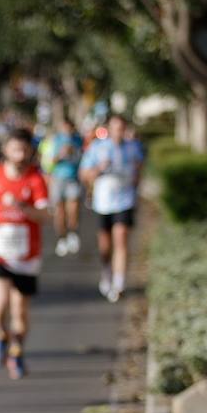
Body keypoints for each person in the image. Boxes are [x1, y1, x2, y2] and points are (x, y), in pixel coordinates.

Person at [0, 128, 50, 380]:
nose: (19, 153)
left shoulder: (36, 179)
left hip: (26, 253)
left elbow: (45, 215)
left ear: (30, 151)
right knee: (0, 304)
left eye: (24, 148)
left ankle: (16, 352)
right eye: (14, 148)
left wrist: (23, 207)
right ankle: (0, 335)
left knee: (20, 311)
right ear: (6, 150)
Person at [80, 112, 145, 302]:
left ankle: (119, 283)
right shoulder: (98, 148)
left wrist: (136, 179)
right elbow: (84, 174)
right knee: (106, 246)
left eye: (122, 128)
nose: (119, 132)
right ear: (109, 129)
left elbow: (139, 166)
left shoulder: (133, 148)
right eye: (115, 128)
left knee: (121, 239)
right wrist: (98, 169)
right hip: (104, 202)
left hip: (125, 200)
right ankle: (107, 271)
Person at [40, 117, 84, 256]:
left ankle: (72, 233)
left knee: (73, 209)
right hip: (57, 179)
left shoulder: (78, 140)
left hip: (73, 178)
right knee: (60, 212)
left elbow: (83, 159)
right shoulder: (54, 141)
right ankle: (61, 238)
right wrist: (61, 154)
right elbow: (48, 163)